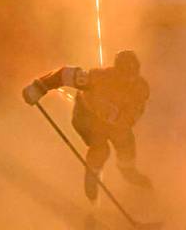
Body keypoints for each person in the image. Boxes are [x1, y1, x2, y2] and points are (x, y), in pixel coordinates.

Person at [22, 50, 152, 201]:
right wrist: (39, 86)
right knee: (100, 148)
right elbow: (65, 74)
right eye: (123, 76)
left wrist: (118, 118)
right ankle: (93, 174)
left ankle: (129, 171)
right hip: (87, 117)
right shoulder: (99, 78)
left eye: (132, 76)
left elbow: (134, 114)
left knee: (126, 144)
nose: (128, 81)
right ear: (116, 71)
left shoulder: (140, 89)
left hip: (114, 123)